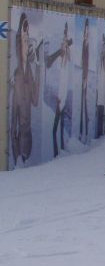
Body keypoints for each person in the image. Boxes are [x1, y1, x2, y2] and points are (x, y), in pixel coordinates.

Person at [10, 13, 40, 166]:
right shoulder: (17, 75)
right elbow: (13, 123)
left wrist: (38, 67)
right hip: (19, 151)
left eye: (27, 40)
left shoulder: (29, 71)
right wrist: (16, 156)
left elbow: (35, 101)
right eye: (23, 40)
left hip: (28, 143)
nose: (26, 44)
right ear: (18, 43)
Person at [45, 21, 74, 157]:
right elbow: (49, 64)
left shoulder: (66, 60)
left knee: (59, 126)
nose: (64, 44)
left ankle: (59, 150)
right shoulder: (59, 59)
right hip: (58, 96)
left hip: (62, 96)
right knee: (56, 127)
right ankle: (57, 151)